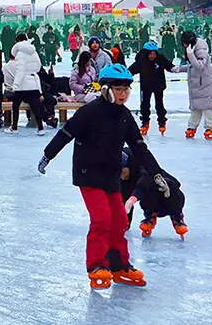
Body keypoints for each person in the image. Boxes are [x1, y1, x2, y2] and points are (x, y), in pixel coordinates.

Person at [37, 64, 168, 289]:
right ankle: (97, 265)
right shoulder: (90, 112)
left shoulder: (125, 116)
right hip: (88, 174)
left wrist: (156, 173)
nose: (124, 94)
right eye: (119, 89)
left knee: (119, 222)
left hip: (110, 175)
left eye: (127, 90)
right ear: (107, 89)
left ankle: (119, 266)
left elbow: (139, 147)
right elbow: (66, 133)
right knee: (101, 220)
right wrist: (47, 155)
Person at [121, 148, 188, 240]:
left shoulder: (142, 168)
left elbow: (145, 183)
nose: (120, 175)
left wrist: (133, 197)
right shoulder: (118, 177)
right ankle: (150, 213)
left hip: (163, 191)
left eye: (121, 171)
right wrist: (124, 225)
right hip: (139, 189)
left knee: (163, 188)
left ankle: (176, 216)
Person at [128, 41, 177, 135]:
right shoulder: (141, 61)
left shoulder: (160, 59)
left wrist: (173, 68)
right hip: (146, 86)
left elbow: (168, 65)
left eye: (154, 54)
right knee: (145, 104)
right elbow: (131, 70)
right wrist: (125, 76)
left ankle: (162, 121)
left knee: (159, 104)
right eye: (150, 54)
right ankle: (145, 121)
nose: (152, 56)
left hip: (158, 85)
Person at [176, 31, 212, 139]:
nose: (184, 46)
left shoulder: (200, 50)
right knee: (195, 109)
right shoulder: (194, 49)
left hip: (205, 85)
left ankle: (210, 127)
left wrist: (190, 54)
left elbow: (199, 66)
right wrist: (180, 69)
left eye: (184, 44)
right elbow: (192, 66)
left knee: (206, 109)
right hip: (197, 85)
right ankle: (192, 127)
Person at [4, 34, 46, 135]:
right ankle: (40, 128)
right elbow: (38, 66)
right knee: (35, 107)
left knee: (15, 106)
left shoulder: (20, 54)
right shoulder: (33, 52)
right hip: (33, 83)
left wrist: (15, 85)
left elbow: (20, 71)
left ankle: (14, 127)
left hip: (22, 85)